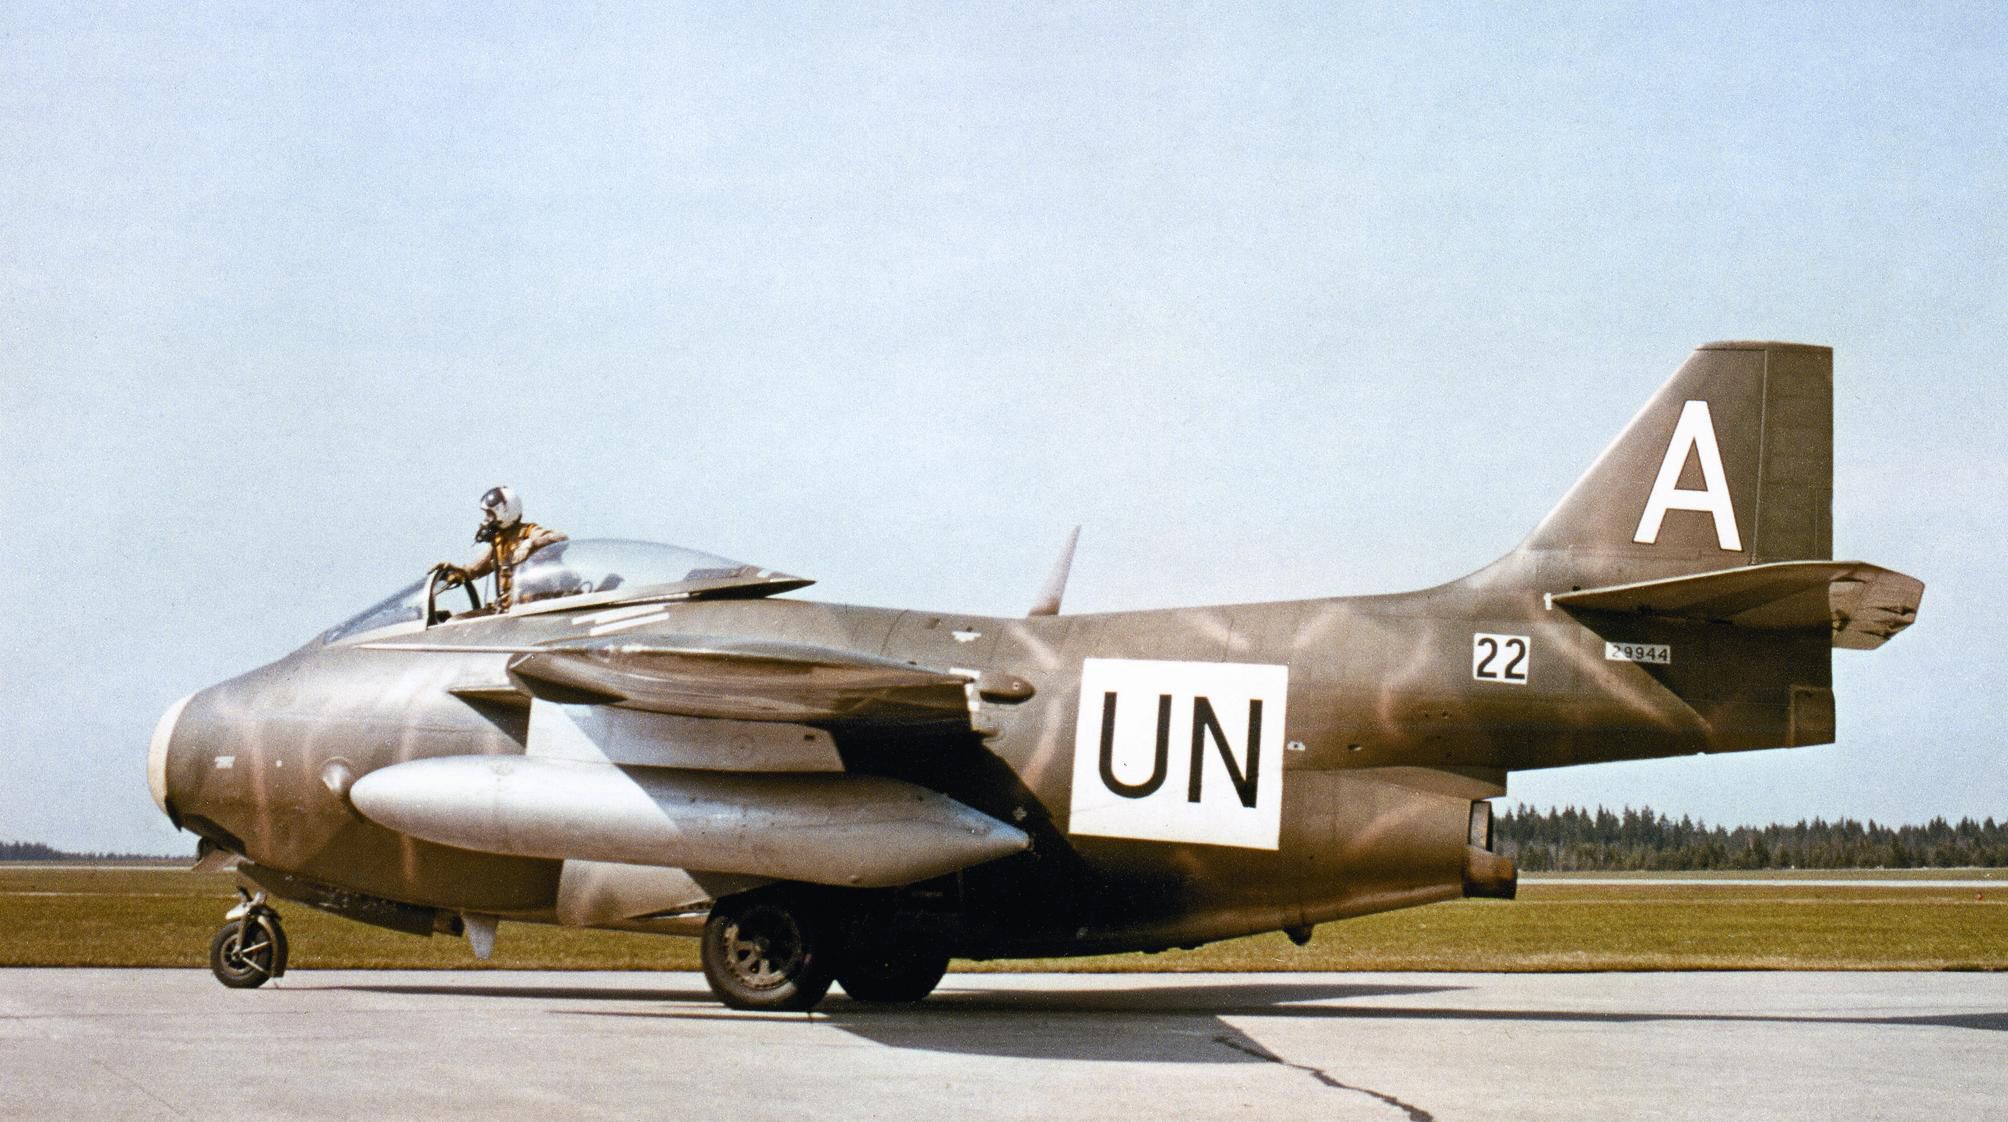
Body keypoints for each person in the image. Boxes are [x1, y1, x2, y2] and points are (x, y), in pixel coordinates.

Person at [446, 486, 567, 613]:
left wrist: (531, 544)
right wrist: (457, 573)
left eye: (490, 514)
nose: (486, 519)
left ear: (504, 511)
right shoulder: (498, 542)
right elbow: (475, 569)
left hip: (533, 609)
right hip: (509, 610)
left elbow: (561, 538)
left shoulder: (528, 531)